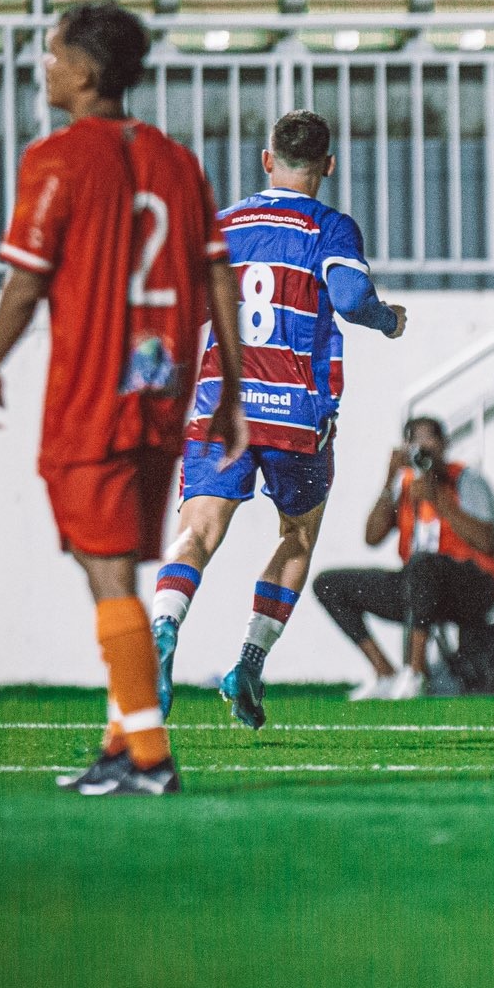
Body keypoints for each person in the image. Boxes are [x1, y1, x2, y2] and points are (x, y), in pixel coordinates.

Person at [0, 1, 247, 797]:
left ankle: (152, 759)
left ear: (86, 71)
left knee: (109, 578)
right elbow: (214, 274)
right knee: (120, 568)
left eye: (52, 53)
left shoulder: (56, 160)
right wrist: (226, 383)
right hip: (159, 390)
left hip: (90, 395)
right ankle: (123, 743)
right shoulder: (178, 161)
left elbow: (27, 281)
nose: (44, 66)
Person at [145, 110, 408, 732]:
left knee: (199, 530)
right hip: (295, 413)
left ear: (267, 160)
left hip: (223, 406)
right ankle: (248, 662)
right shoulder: (330, 227)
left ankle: (163, 627)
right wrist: (387, 319)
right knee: (296, 536)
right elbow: (349, 299)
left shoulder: (226, 224)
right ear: (328, 166)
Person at [311, 416, 494, 700]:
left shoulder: (465, 480)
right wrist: (389, 481)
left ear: (444, 444)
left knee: (423, 564)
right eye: (415, 440)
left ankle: (415, 673)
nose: (422, 447)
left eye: (429, 440)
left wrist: (439, 500)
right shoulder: (406, 485)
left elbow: (488, 542)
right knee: (329, 584)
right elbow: (372, 537)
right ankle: (385, 673)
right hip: (419, 587)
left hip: (470, 583)